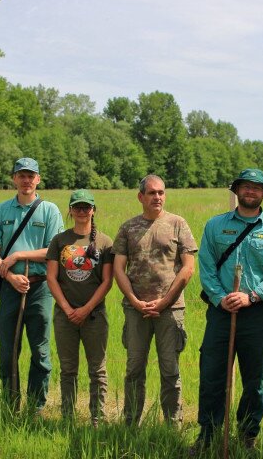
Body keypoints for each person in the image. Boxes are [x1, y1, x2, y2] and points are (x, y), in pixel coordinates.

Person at [194, 169, 263, 452]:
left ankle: (248, 436)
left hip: (257, 315)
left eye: (257, 187)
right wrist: (220, 298)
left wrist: (252, 297)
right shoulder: (215, 226)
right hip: (221, 314)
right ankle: (207, 436)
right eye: (246, 186)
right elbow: (207, 267)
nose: (251, 191)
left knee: (253, 380)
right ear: (237, 190)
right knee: (212, 376)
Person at [114, 174, 197, 426]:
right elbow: (119, 269)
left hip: (170, 311)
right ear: (141, 197)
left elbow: (188, 268)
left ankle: (173, 425)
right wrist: (135, 301)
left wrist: (163, 303)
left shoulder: (178, 224)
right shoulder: (128, 228)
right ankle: (130, 424)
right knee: (134, 370)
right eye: (151, 193)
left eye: (161, 192)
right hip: (135, 310)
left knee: (170, 370)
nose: (157, 197)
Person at [0, 157, 63, 411]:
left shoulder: (50, 210)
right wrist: (8, 276)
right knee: (8, 351)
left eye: (31, 175)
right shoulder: (1, 210)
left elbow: (54, 250)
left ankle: (36, 408)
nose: (26, 180)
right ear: (14, 179)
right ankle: (10, 404)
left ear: (38, 179)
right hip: (9, 288)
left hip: (40, 288)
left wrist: (19, 255)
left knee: (40, 352)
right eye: (22, 175)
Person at [46, 189, 113, 425]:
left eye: (87, 207)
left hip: (94, 316)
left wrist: (85, 310)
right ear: (71, 210)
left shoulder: (105, 242)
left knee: (97, 370)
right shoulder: (59, 240)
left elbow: (107, 281)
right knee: (68, 369)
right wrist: (67, 309)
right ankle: (68, 417)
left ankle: (98, 418)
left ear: (93, 210)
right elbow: (52, 278)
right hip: (65, 316)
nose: (82, 211)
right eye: (77, 207)